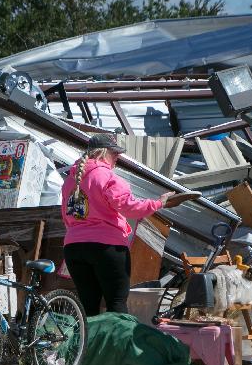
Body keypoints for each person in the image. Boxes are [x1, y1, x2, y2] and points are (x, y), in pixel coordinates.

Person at [61, 133, 173, 317]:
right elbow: (130, 208)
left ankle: (88, 345)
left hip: (73, 247)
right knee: (116, 302)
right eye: (115, 154)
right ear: (103, 153)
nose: (118, 158)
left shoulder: (70, 181)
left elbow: (66, 216)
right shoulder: (107, 177)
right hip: (106, 247)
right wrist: (159, 203)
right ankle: (116, 346)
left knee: (88, 307)